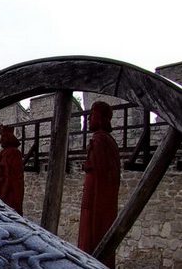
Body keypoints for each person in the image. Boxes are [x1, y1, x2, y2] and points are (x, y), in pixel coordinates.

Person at [78, 101, 120, 267]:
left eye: (92, 115)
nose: (88, 118)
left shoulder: (100, 140)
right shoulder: (106, 140)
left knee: (91, 236)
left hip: (95, 203)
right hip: (97, 201)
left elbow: (100, 172)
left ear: (102, 118)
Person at [0, 125, 24, 214]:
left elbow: (12, 174)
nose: (1, 140)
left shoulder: (14, 153)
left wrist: (5, 189)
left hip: (11, 187)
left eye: (3, 137)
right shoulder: (4, 152)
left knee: (11, 206)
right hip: (4, 184)